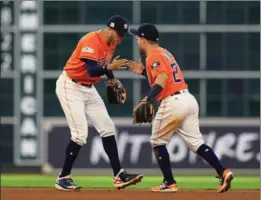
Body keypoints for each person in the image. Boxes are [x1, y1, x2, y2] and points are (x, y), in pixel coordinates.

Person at [127, 23, 233, 193]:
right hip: (188, 99)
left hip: (173, 101)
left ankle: (169, 182)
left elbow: (161, 77)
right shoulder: (164, 52)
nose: (136, 41)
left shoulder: (153, 55)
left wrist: (148, 98)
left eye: (137, 38)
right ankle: (223, 172)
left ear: (142, 39)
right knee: (197, 143)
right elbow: (166, 75)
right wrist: (143, 72)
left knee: (157, 141)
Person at [55, 15, 143, 191]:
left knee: (108, 127)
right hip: (70, 86)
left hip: (89, 88)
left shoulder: (111, 44)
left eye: (123, 34)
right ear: (109, 30)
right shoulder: (91, 40)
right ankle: (63, 178)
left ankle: (119, 175)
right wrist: (109, 69)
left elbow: (104, 65)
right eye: (119, 33)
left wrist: (111, 79)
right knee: (80, 135)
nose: (121, 37)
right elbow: (92, 69)